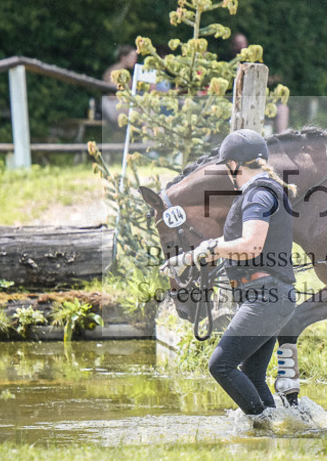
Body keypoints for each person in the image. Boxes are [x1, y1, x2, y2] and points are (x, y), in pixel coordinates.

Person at [161, 129, 298, 422]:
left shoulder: (257, 194)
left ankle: (265, 427)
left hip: (266, 297)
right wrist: (188, 258)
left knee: (221, 366)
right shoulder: (266, 189)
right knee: (252, 375)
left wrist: (209, 247)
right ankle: (274, 430)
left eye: (228, 169)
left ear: (234, 165)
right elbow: (238, 249)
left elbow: (251, 245)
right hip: (270, 295)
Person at [100, 45, 138, 125]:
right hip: (112, 105)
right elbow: (112, 96)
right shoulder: (115, 72)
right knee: (143, 112)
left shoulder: (126, 73)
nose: (135, 60)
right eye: (132, 57)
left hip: (121, 104)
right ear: (123, 57)